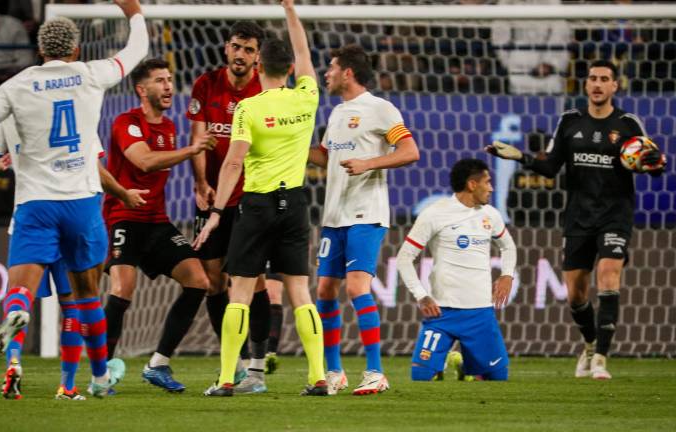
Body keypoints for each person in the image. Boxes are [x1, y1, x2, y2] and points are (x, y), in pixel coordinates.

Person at [0, 0, 149, 398]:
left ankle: (16, 314)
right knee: (86, 296)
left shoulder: (16, 85)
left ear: (39, 51)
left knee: (21, 288)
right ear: (75, 50)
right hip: (80, 201)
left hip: (35, 205)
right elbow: (136, 51)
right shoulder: (90, 74)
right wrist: (134, 13)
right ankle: (96, 378)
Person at [486, 60, 667, 379]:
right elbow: (551, 166)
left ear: (615, 86)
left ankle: (601, 358)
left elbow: (653, 162)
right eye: (592, 79)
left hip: (615, 215)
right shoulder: (569, 121)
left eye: (604, 79)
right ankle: (589, 343)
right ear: (585, 85)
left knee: (608, 273)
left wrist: (654, 166)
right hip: (578, 217)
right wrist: (520, 157)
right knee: (576, 294)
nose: (597, 84)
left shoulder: (628, 123)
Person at [193, 0, 326, 397]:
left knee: (240, 290)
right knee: (300, 291)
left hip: (257, 206)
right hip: (296, 205)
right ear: (289, 70)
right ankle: (318, 377)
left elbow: (233, 163)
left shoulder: (249, 108)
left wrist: (217, 213)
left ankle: (227, 379)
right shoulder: (307, 97)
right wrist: (289, 10)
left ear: (258, 67)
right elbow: (303, 51)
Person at [0, 115, 147, 400]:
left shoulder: (11, 114)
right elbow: (95, 169)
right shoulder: (75, 112)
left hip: (29, 218)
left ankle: (14, 363)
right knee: (73, 307)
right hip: (70, 220)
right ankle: (68, 386)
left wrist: (2, 163)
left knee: (20, 297)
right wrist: (121, 193)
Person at [306, 44, 419, 395]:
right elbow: (325, 158)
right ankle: (335, 371)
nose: (326, 73)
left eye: (331, 67)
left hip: (366, 212)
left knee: (356, 287)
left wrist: (368, 163)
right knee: (325, 290)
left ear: (348, 73)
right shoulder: (338, 113)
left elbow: (410, 151)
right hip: (333, 215)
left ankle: (375, 371)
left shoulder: (379, 108)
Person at [101, 58, 216, 393]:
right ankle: (102, 372)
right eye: (159, 81)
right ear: (141, 89)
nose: (168, 86)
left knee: (198, 281)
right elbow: (143, 161)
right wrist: (191, 149)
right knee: (122, 289)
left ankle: (158, 364)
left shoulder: (168, 127)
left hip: (156, 221)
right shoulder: (127, 122)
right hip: (124, 217)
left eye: (169, 80)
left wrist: (200, 181)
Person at [186, 21, 274, 393]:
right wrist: (201, 183)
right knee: (213, 282)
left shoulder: (266, 90)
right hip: (212, 198)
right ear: (226, 48)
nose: (241, 54)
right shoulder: (206, 85)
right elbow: (199, 139)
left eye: (249, 49)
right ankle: (233, 362)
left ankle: (256, 365)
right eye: (236, 46)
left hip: (251, 198)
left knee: (252, 281)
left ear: (258, 56)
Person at [396, 158, 517, 382]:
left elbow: (508, 246)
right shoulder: (435, 214)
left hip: (480, 313)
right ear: (472, 184)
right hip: (442, 312)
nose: (491, 188)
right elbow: (404, 258)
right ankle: (447, 363)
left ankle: (463, 364)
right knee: (421, 376)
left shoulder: (491, 214)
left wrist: (507, 274)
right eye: (487, 182)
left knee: (498, 378)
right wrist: (421, 295)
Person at [491, 0, 570, 95]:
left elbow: (561, 30)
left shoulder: (552, 2)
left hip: (549, 68)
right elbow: (499, 32)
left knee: (551, 104)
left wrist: (550, 63)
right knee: (520, 105)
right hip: (518, 65)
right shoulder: (506, 2)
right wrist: (509, 62)